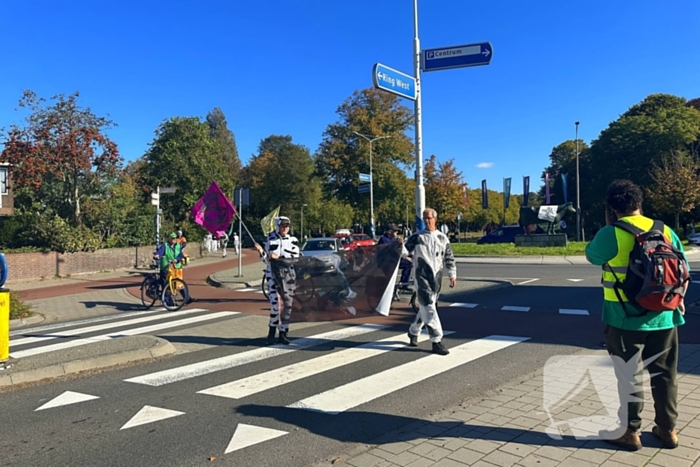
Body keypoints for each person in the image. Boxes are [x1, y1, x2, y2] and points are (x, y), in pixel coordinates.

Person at [585, 179, 688, 451]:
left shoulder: (611, 233)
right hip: (665, 314)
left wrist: (608, 225)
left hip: (623, 317)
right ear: (640, 203)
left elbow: (592, 256)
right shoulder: (664, 229)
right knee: (665, 374)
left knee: (628, 375)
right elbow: (682, 268)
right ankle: (667, 430)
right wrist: (679, 300)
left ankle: (630, 432)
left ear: (612, 208)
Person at [400, 208, 456, 355]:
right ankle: (436, 340)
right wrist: (399, 245)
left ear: (435, 219)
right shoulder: (417, 237)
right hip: (421, 276)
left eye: (429, 218)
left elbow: (449, 257)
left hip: (436, 277)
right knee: (429, 307)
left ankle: (413, 331)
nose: (427, 221)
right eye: (424, 218)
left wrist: (452, 274)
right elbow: (404, 251)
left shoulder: (442, 238)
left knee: (426, 307)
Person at [254, 216, 301, 345]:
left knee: (287, 306)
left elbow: (295, 258)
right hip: (273, 277)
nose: (285, 228)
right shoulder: (270, 239)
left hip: (288, 277)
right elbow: (266, 260)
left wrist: (279, 257)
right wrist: (261, 252)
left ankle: (283, 333)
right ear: (277, 226)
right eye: (282, 226)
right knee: (276, 306)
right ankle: (271, 334)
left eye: (287, 226)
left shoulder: (293, 240)